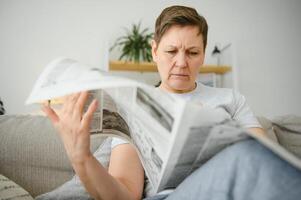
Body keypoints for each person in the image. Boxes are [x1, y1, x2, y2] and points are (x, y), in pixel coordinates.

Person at [42, 5, 301, 200]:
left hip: (231, 188)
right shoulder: (136, 108)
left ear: (204, 54)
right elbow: (124, 194)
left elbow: (265, 156)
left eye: (192, 52)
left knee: (250, 155)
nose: (181, 62)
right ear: (154, 51)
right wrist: (82, 158)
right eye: (171, 51)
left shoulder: (230, 99)